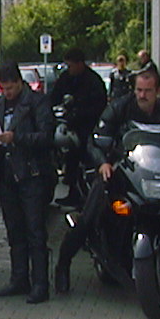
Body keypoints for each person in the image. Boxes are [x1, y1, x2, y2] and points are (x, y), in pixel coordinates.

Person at [54, 67, 160, 294]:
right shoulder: (119, 107)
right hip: (117, 169)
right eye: (139, 90)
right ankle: (63, 265)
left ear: (158, 91)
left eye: (148, 90)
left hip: (151, 170)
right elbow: (95, 141)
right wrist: (102, 162)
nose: (142, 95)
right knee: (89, 215)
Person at [0, 61, 55, 304]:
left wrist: (16, 138)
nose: (6, 93)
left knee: (35, 230)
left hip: (32, 173)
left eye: (10, 88)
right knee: (14, 229)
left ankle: (40, 283)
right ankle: (19, 278)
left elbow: (46, 137)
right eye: (2, 88)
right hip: (7, 173)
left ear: (20, 82)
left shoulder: (37, 102)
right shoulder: (0, 105)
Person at [48, 47, 107, 207]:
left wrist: (79, 113)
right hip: (71, 126)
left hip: (88, 127)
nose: (69, 69)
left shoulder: (93, 81)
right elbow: (54, 97)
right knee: (71, 160)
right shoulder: (66, 78)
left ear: (80, 64)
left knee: (86, 161)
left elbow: (99, 106)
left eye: (71, 65)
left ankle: (86, 196)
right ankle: (73, 193)